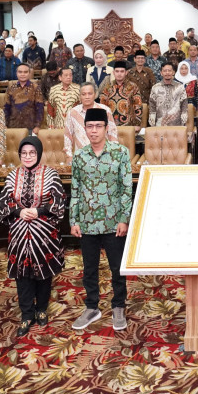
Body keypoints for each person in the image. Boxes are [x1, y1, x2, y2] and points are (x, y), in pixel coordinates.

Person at [69, 107, 133, 332]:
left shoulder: (120, 153)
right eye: (89, 126)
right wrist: (73, 219)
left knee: (117, 267)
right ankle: (92, 307)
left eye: (98, 126)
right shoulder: (79, 155)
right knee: (89, 268)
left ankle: (118, 305)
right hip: (87, 222)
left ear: (106, 128)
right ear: (84, 129)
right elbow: (75, 189)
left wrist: (124, 219)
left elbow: (126, 189)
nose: (93, 130)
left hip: (113, 221)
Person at [2, 136, 65, 337]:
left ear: (38, 154)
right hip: (19, 234)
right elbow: (4, 203)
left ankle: (42, 309)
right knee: (22, 275)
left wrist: (39, 211)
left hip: (44, 233)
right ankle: (27, 314)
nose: (28, 157)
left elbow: (59, 201)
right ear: (19, 155)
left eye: (32, 153)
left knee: (43, 273)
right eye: (24, 153)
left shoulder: (51, 175)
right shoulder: (12, 176)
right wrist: (18, 212)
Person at [99, 61, 143, 127]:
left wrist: (137, 124)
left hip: (129, 125)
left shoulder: (133, 87)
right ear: (113, 73)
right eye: (117, 71)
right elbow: (102, 106)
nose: (119, 74)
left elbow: (138, 106)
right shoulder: (108, 87)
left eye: (122, 71)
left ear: (126, 72)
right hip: (110, 125)